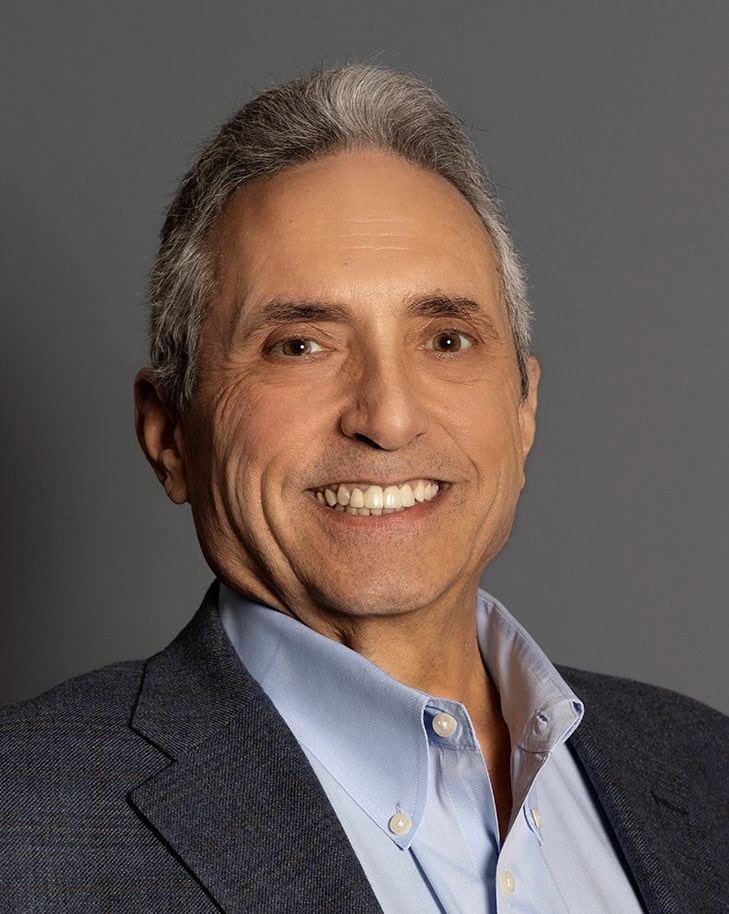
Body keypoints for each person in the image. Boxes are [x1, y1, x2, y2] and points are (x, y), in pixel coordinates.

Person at [1, 64, 726, 914]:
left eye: (447, 339)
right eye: (300, 345)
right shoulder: (26, 829)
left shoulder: (703, 773)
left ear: (523, 409)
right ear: (170, 437)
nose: (386, 417)